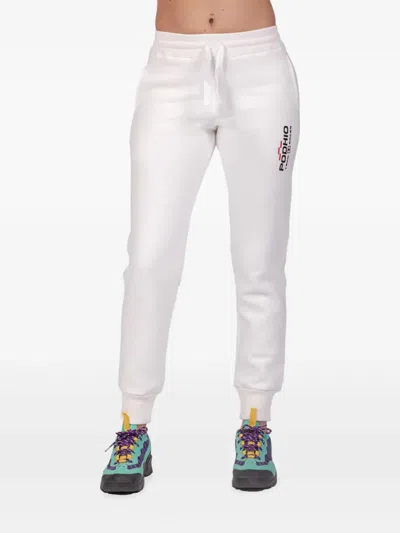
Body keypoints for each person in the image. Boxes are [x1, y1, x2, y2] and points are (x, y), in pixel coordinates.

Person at [101, 0, 299, 494]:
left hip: (259, 69)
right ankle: (133, 424)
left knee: (260, 260)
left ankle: (255, 423)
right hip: (172, 67)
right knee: (149, 260)